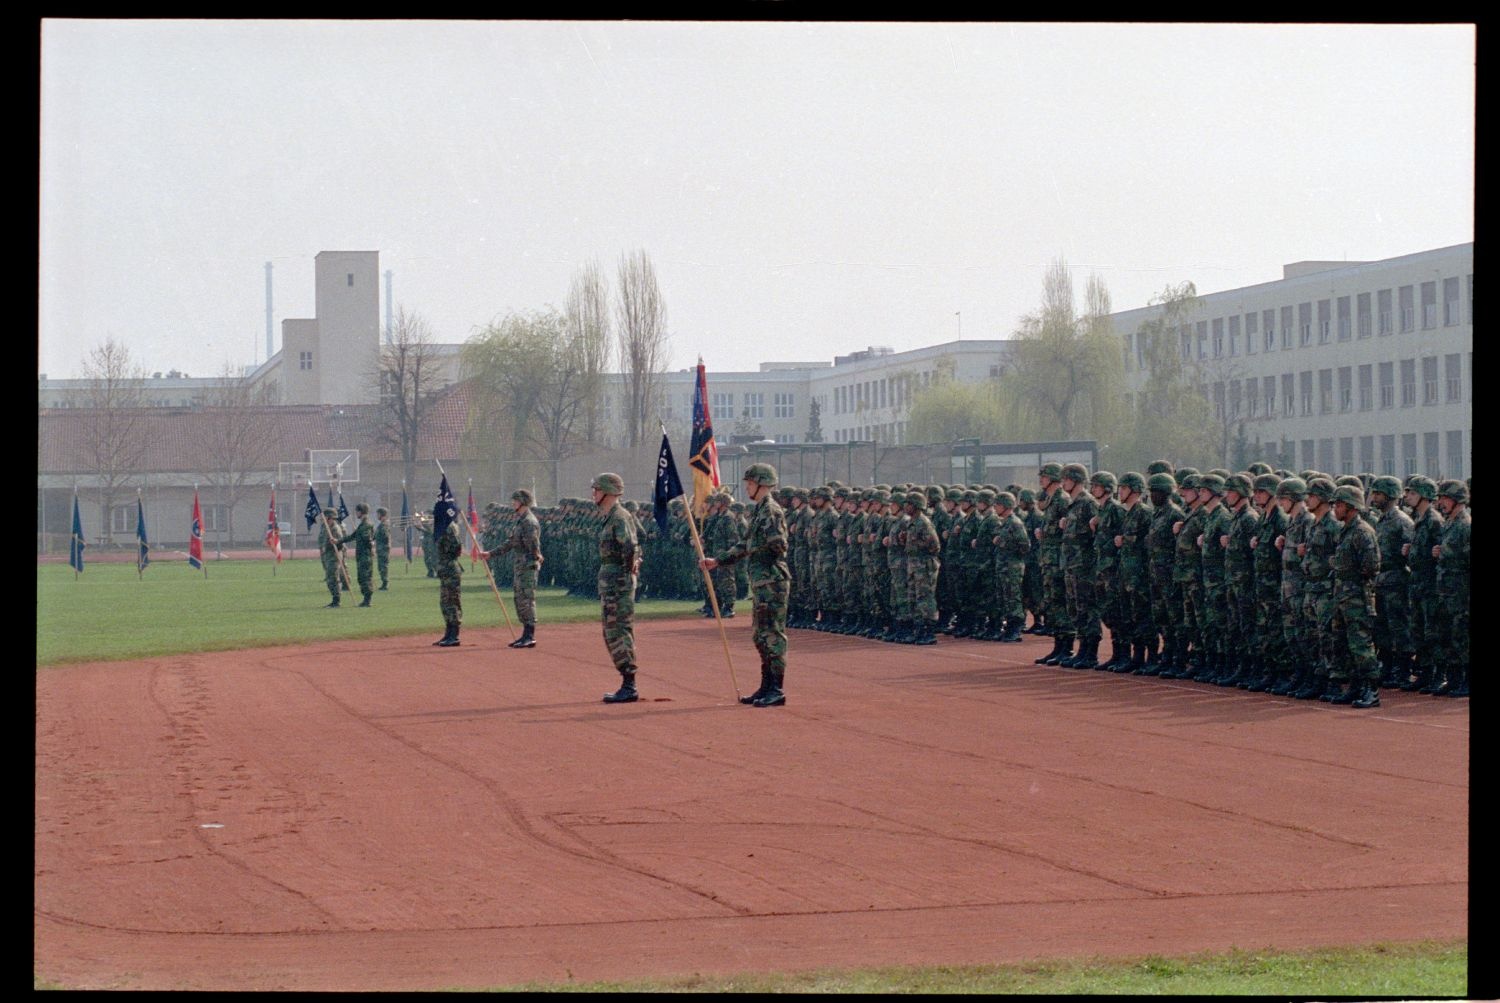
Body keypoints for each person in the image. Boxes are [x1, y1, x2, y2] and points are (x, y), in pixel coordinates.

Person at [701, 463, 791, 705]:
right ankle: (766, 686)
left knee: (772, 635)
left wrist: (753, 549)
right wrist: (717, 561)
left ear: (762, 484)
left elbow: (779, 544)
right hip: (762, 581)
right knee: (760, 635)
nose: (747, 487)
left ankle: (776, 690)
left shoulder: (771, 511)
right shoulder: (760, 511)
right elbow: (743, 545)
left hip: (772, 580)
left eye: (750, 483)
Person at [594, 473, 642, 704]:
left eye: (597, 490)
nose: (594, 493)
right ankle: (626, 681)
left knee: (619, 631)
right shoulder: (611, 516)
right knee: (611, 631)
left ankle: (629, 684)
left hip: (618, 583)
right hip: (611, 581)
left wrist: (627, 570)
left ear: (608, 492)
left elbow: (630, 546)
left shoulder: (619, 517)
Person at [491, 489, 543, 648]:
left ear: (523, 502)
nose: (513, 503)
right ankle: (525, 635)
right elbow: (511, 542)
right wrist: (491, 554)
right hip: (521, 566)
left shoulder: (529, 522)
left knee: (526, 599)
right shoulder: (521, 520)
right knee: (520, 599)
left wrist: (535, 558)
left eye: (515, 500)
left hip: (527, 566)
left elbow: (533, 545)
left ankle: (530, 635)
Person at [433, 513, 467, 647]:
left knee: (452, 602)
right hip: (445, 569)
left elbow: (456, 546)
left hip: (451, 569)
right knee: (445, 602)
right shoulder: (444, 527)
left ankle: (454, 635)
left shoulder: (450, 527)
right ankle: (448, 632)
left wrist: (449, 556)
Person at [345, 502, 376, 607]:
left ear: (360, 512)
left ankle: (367, 600)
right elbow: (352, 536)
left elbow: (368, 539)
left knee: (365, 577)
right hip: (361, 555)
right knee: (361, 578)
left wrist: (371, 547)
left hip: (365, 555)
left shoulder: (366, 525)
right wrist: (338, 541)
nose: (356, 513)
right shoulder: (363, 525)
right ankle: (366, 599)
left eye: (357, 511)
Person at [317, 507, 346, 607]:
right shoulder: (326, 528)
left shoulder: (335, 529)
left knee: (333, 578)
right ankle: (334, 599)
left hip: (334, 557)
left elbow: (341, 544)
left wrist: (335, 542)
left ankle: (336, 600)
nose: (323, 520)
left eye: (325, 518)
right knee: (330, 579)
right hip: (328, 557)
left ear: (330, 518)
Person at [374, 506, 391, 590]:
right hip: (381, 549)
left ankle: (385, 583)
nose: (377, 516)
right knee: (380, 567)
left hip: (383, 550)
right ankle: (384, 582)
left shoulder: (384, 525)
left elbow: (385, 537)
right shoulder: (381, 525)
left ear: (382, 515)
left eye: (378, 514)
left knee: (383, 567)